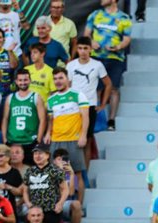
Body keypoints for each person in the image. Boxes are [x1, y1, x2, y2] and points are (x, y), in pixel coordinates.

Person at [83, 0, 132, 131]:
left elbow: (127, 38)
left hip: (115, 58)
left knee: (114, 88)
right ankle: (97, 119)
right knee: (96, 89)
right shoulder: (95, 14)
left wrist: (119, 46)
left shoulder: (124, 18)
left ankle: (111, 120)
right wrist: (92, 42)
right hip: (96, 58)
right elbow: (86, 34)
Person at [44, 68, 89, 203]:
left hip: (73, 139)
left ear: (67, 79)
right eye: (55, 79)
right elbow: (51, 120)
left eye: (60, 78)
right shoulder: (51, 100)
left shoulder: (78, 95)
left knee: (78, 173)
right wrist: (47, 133)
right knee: (55, 174)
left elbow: (85, 117)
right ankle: (57, 202)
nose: (58, 81)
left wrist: (83, 135)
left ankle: (78, 204)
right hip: (56, 140)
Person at [67, 37, 112, 167]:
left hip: (90, 106)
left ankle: (85, 172)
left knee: (87, 139)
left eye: (85, 48)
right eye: (80, 48)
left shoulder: (97, 65)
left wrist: (102, 104)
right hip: (73, 107)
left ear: (91, 50)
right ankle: (73, 169)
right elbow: (68, 86)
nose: (83, 51)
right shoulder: (71, 65)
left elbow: (108, 84)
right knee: (72, 138)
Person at [1, 69, 45, 160]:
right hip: (13, 141)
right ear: (16, 81)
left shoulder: (36, 96)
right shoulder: (10, 98)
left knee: (29, 169)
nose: (23, 82)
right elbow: (5, 119)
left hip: (30, 141)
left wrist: (38, 140)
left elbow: (43, 119)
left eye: (25, 80)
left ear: (30, 80)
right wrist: (5, 139)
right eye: (20, 80)